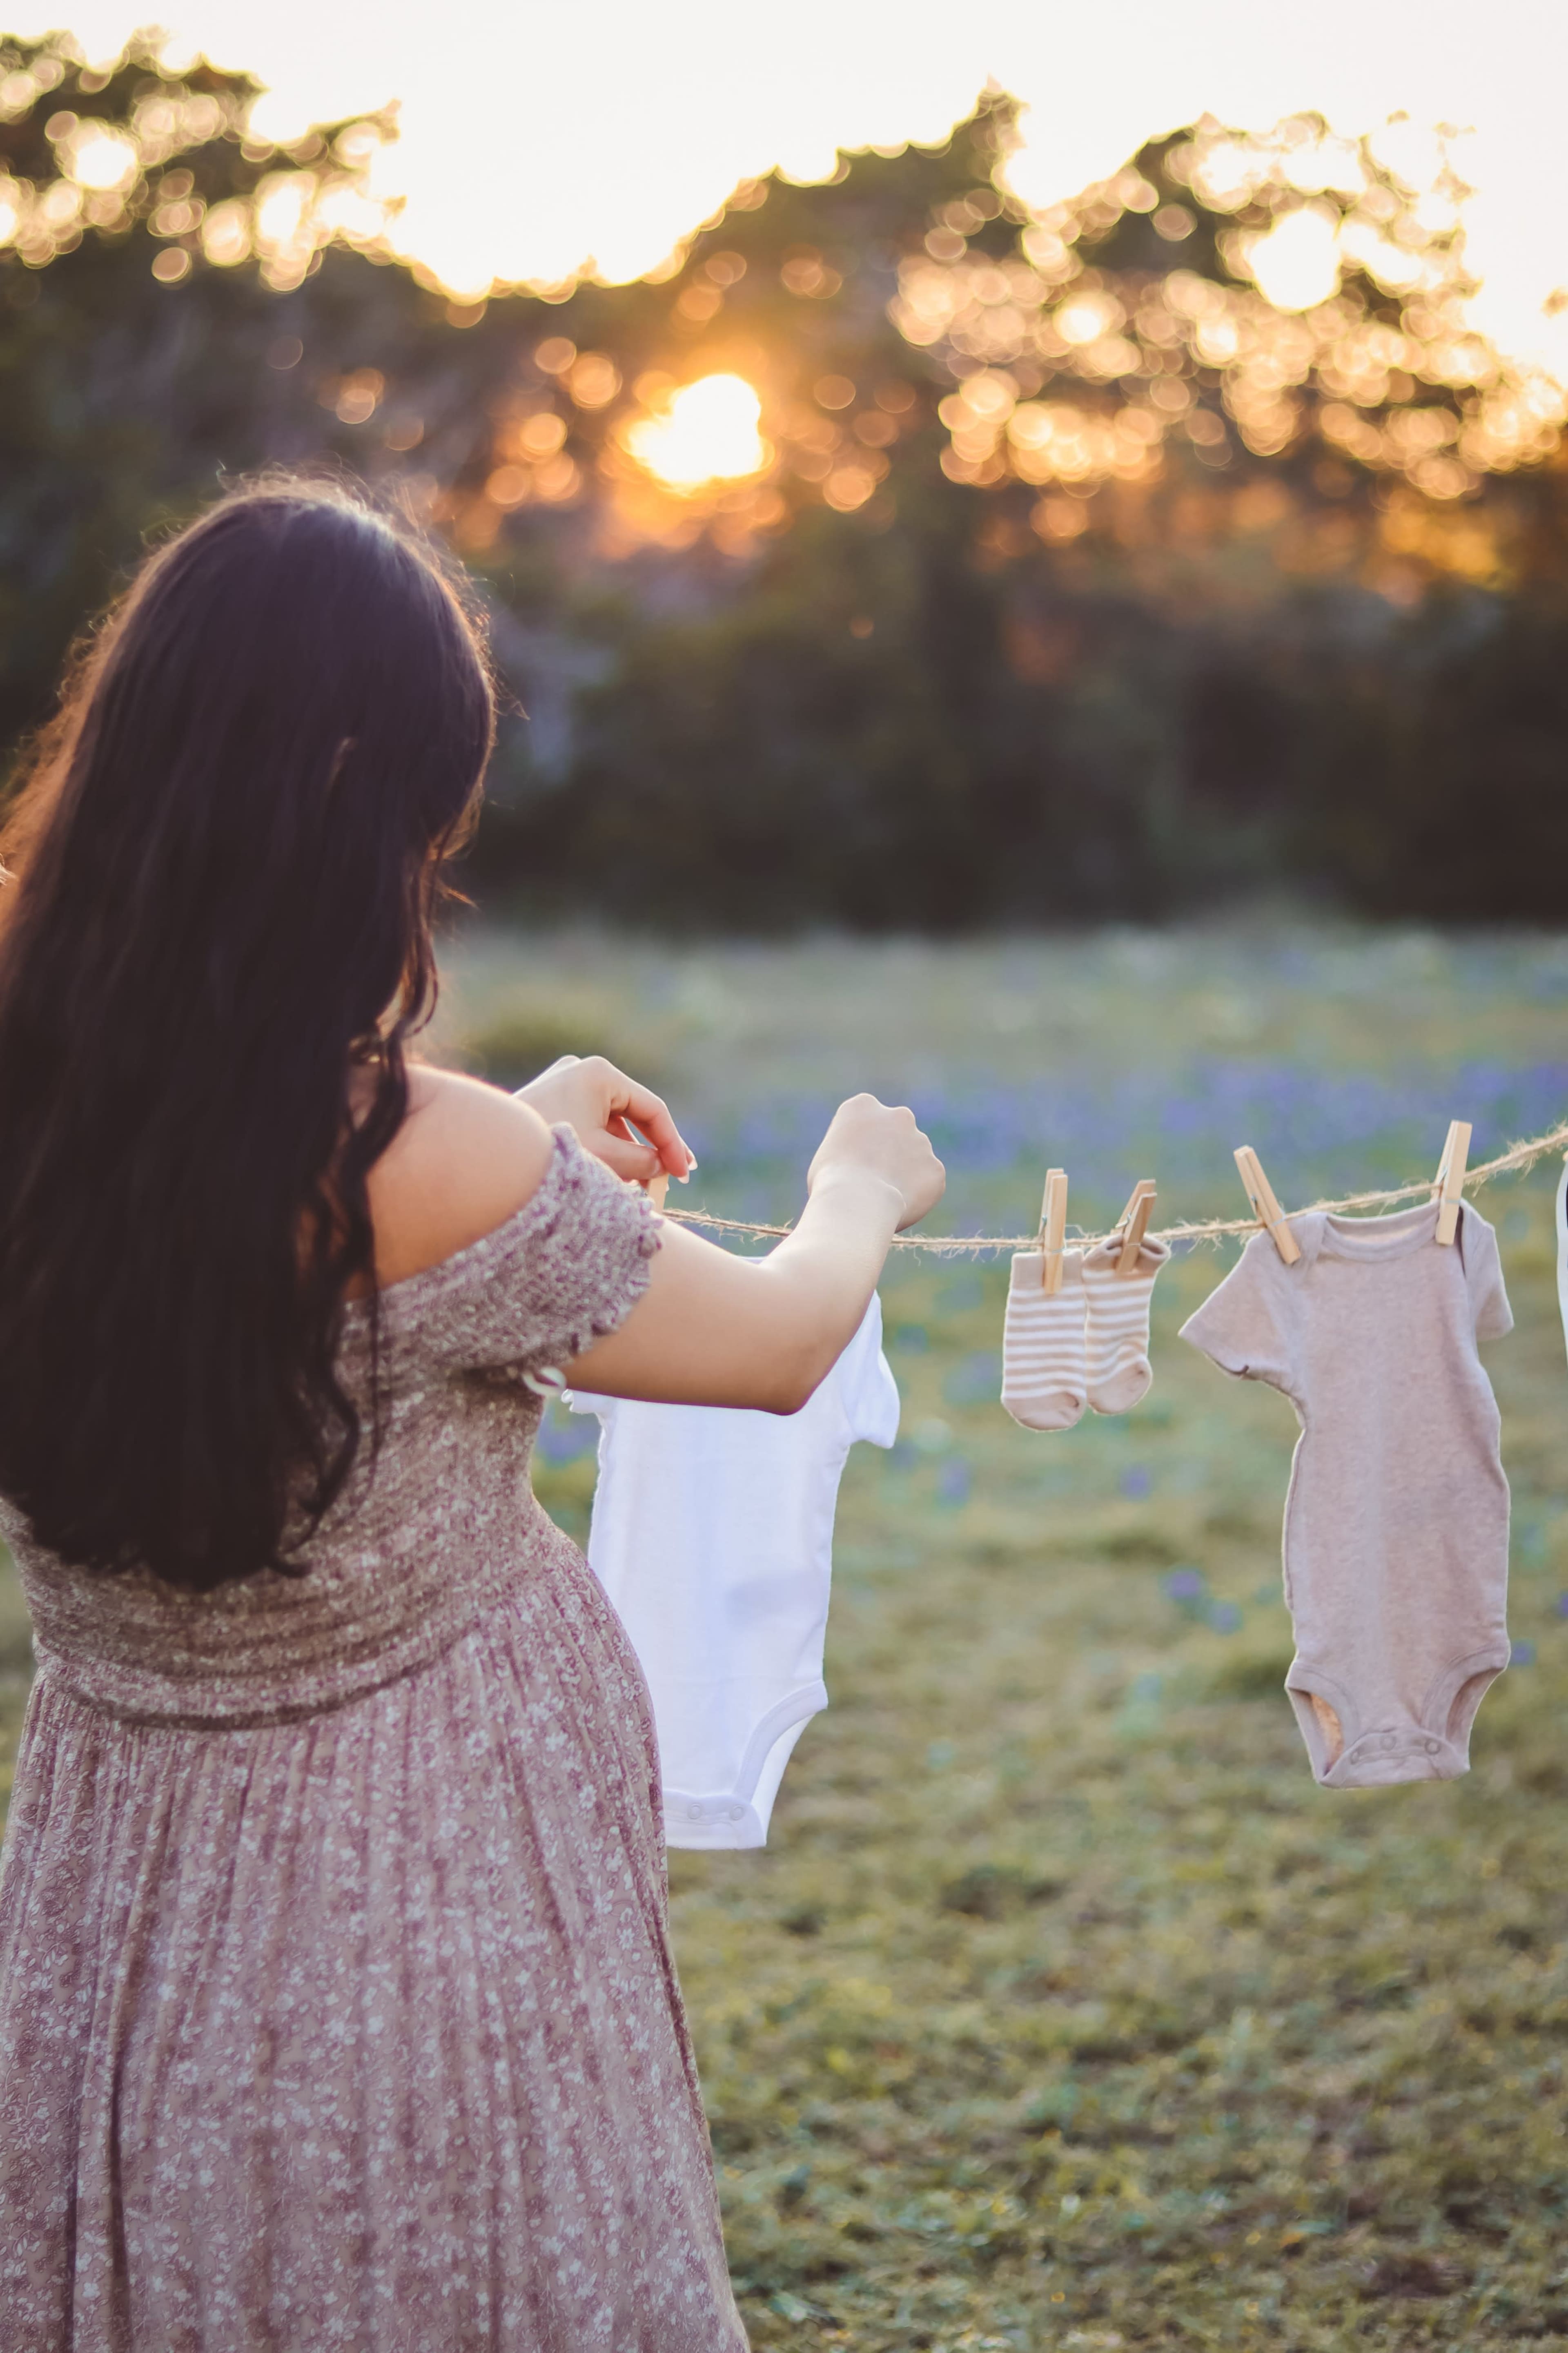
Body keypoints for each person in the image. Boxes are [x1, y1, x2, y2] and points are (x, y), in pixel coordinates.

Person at [0, 479, 944, 2351]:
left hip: (118, 1851)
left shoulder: (48, 1053)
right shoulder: (419, 1155)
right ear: (350, 782)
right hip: (421, 1863)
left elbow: (214, 1184)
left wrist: (515, 1139)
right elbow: (770, 1343)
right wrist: (860, 1188)